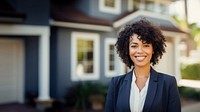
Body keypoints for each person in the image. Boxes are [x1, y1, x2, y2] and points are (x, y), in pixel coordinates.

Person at [105, 19, 181, 112]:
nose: (140, 51)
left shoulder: (168, 83)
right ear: (127, 49)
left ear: (153, 49)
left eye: (146, 45)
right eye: (134, 46)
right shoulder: (116, 84)